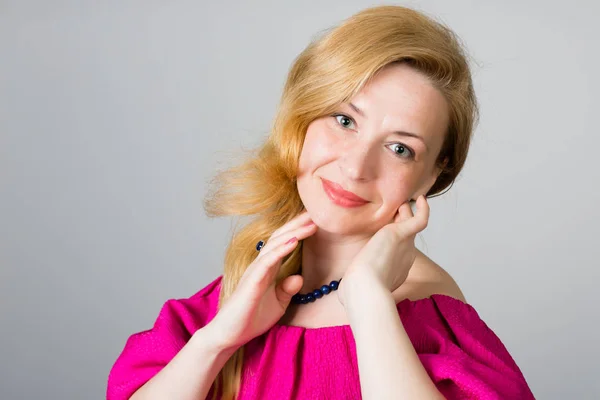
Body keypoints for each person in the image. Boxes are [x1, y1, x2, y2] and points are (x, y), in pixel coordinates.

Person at [107, 5, 535, 400]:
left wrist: (368, 300)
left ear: (433, 173)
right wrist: (216, 341)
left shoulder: (433, 321)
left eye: (400, 148)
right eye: (344, 120)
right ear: (302, 119)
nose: (355, 167)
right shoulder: (238, 294)